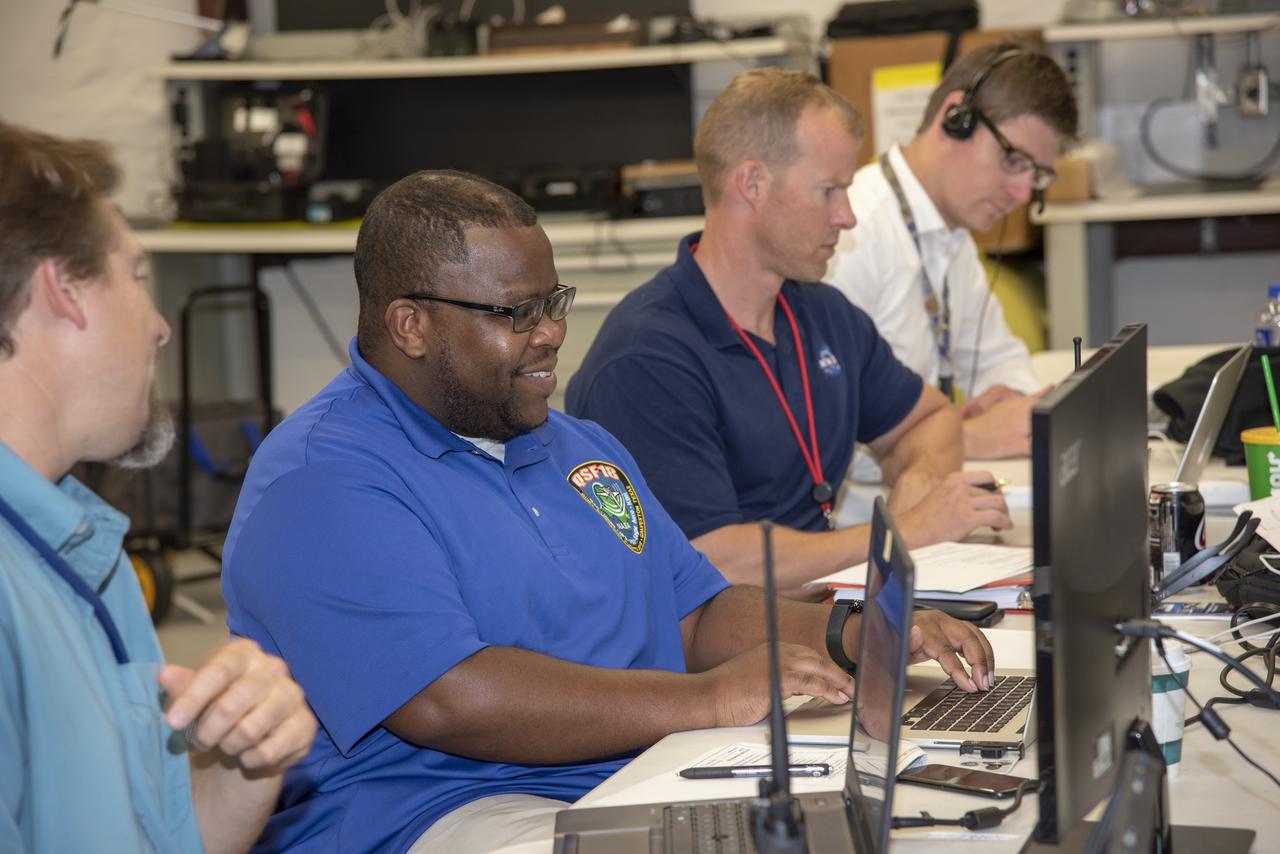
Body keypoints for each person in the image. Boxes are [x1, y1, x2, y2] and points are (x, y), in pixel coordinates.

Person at [220, 169, 998, 854]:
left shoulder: (570, 443)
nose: (551, 333)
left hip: (643, 770)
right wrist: (707, 700)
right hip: (442, 811)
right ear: (410, 325)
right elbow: (447, 696)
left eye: (551, 303)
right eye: (514, 314)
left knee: (903, 821)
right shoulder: (322, 478)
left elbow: (693, 613)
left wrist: (857, 634)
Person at [565, 68, 1012, 597]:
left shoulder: (822, 314)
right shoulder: (645, 359)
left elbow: (932, 419)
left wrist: (914, 491)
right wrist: (904, 533)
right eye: (829, 191)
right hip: (718, 658)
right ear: (751, 184)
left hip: (816, 617)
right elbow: (715, 561)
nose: (847, 216)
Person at [0, 122, 317, 853]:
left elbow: (166, 836)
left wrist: (245, 758)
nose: (158, 327)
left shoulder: (82, 547)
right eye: (137, 277)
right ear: (65, 289)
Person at [827, 41, 1078, 460]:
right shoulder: (851, 235)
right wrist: (965, 438)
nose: (1020, 192)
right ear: (955, 118)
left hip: (930, 493)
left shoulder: (952, 233)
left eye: (1037, 175)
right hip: (862, 516)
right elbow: (818, 436)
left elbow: (998, 356)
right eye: (1014, 159)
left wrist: (1010, 401)